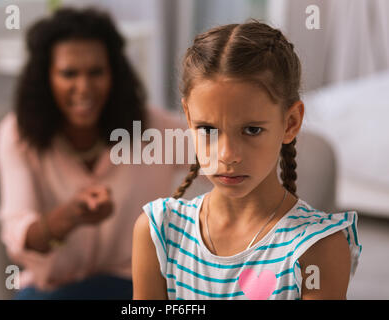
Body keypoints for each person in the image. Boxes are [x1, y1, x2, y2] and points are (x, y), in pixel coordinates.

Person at [132, 21, 362, 300]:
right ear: (189, 118)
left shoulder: (318, 249)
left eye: (252, 130)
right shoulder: (158, 231)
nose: (227, 154)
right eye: (208, 129)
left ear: (290, 123)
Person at [0, 7, 193, 299]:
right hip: (54, 288)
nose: (84, 87)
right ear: (45, 78)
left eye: (96, 72)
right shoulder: (17, 134)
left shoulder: (151, 128)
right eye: (69, 73)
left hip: (137, 284)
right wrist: (71, 216)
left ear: (114, 74)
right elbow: (20, 237)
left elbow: (220, 153)